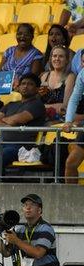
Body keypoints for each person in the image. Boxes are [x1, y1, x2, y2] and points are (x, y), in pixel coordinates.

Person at [0, 194, 61, 266]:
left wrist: (16, 241)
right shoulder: (20, 230)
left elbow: (38, 253)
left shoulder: (46, 228)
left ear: (39, 210)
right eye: (25, 205)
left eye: (32, 205)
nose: (28, 207)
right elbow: (6, 253)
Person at [38, 45, 75, 123]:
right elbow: (38, 102)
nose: (57, 59)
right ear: (51, 59)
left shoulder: (70, 77)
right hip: (42, 115)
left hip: (61, 119)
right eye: (54, 56)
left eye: (61, 56)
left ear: (67, 60)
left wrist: (43, 107)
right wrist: (52, 107)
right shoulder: (45, 76)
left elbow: (65, 106)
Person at [62, 54, 84, 184]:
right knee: (71, 163)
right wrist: (68, 121)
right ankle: (69, 201)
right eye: (83, 62)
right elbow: (74, 98)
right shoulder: (82, 74)